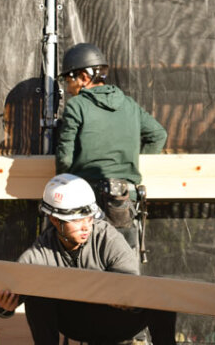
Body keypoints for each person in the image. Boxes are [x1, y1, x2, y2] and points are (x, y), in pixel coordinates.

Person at [0, 173, 201, 345]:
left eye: (89, 218)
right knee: (37, 288)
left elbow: (131, 283)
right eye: (76, 220)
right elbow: (13, 285)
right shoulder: (42, 250)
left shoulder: (108, 238)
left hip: (118, 320)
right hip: (75, 323)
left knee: (159, 289)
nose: (85, 226)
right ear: (55, 220)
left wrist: (127, 298)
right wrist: (4, 306)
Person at [55, 42, 167, 250]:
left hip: (87, 202)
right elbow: (158, 135)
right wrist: (131, 164)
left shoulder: (77, 106)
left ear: (84, 77)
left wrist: (62, 184)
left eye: (68, 79)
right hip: (125, 201)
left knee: (89, 266)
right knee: (122, 264)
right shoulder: (129, 104)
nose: (68, 87)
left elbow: (64, 159)